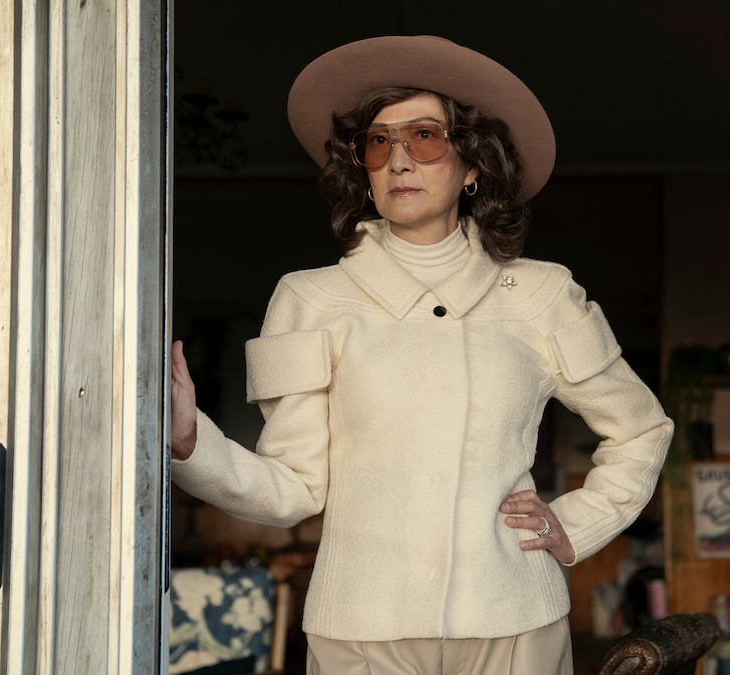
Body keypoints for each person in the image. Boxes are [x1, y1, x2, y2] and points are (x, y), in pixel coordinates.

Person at [169, 35, 673, 675]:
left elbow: (640, 428)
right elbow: (293, 488)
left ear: (472, 165)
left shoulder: (543, 294)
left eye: (426, 136)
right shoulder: (309, 298)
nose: (399, 159)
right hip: (360, 631)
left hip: (514, 621)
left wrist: (576, 523)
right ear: (363, 169)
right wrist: (190, 443)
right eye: (378, 143)